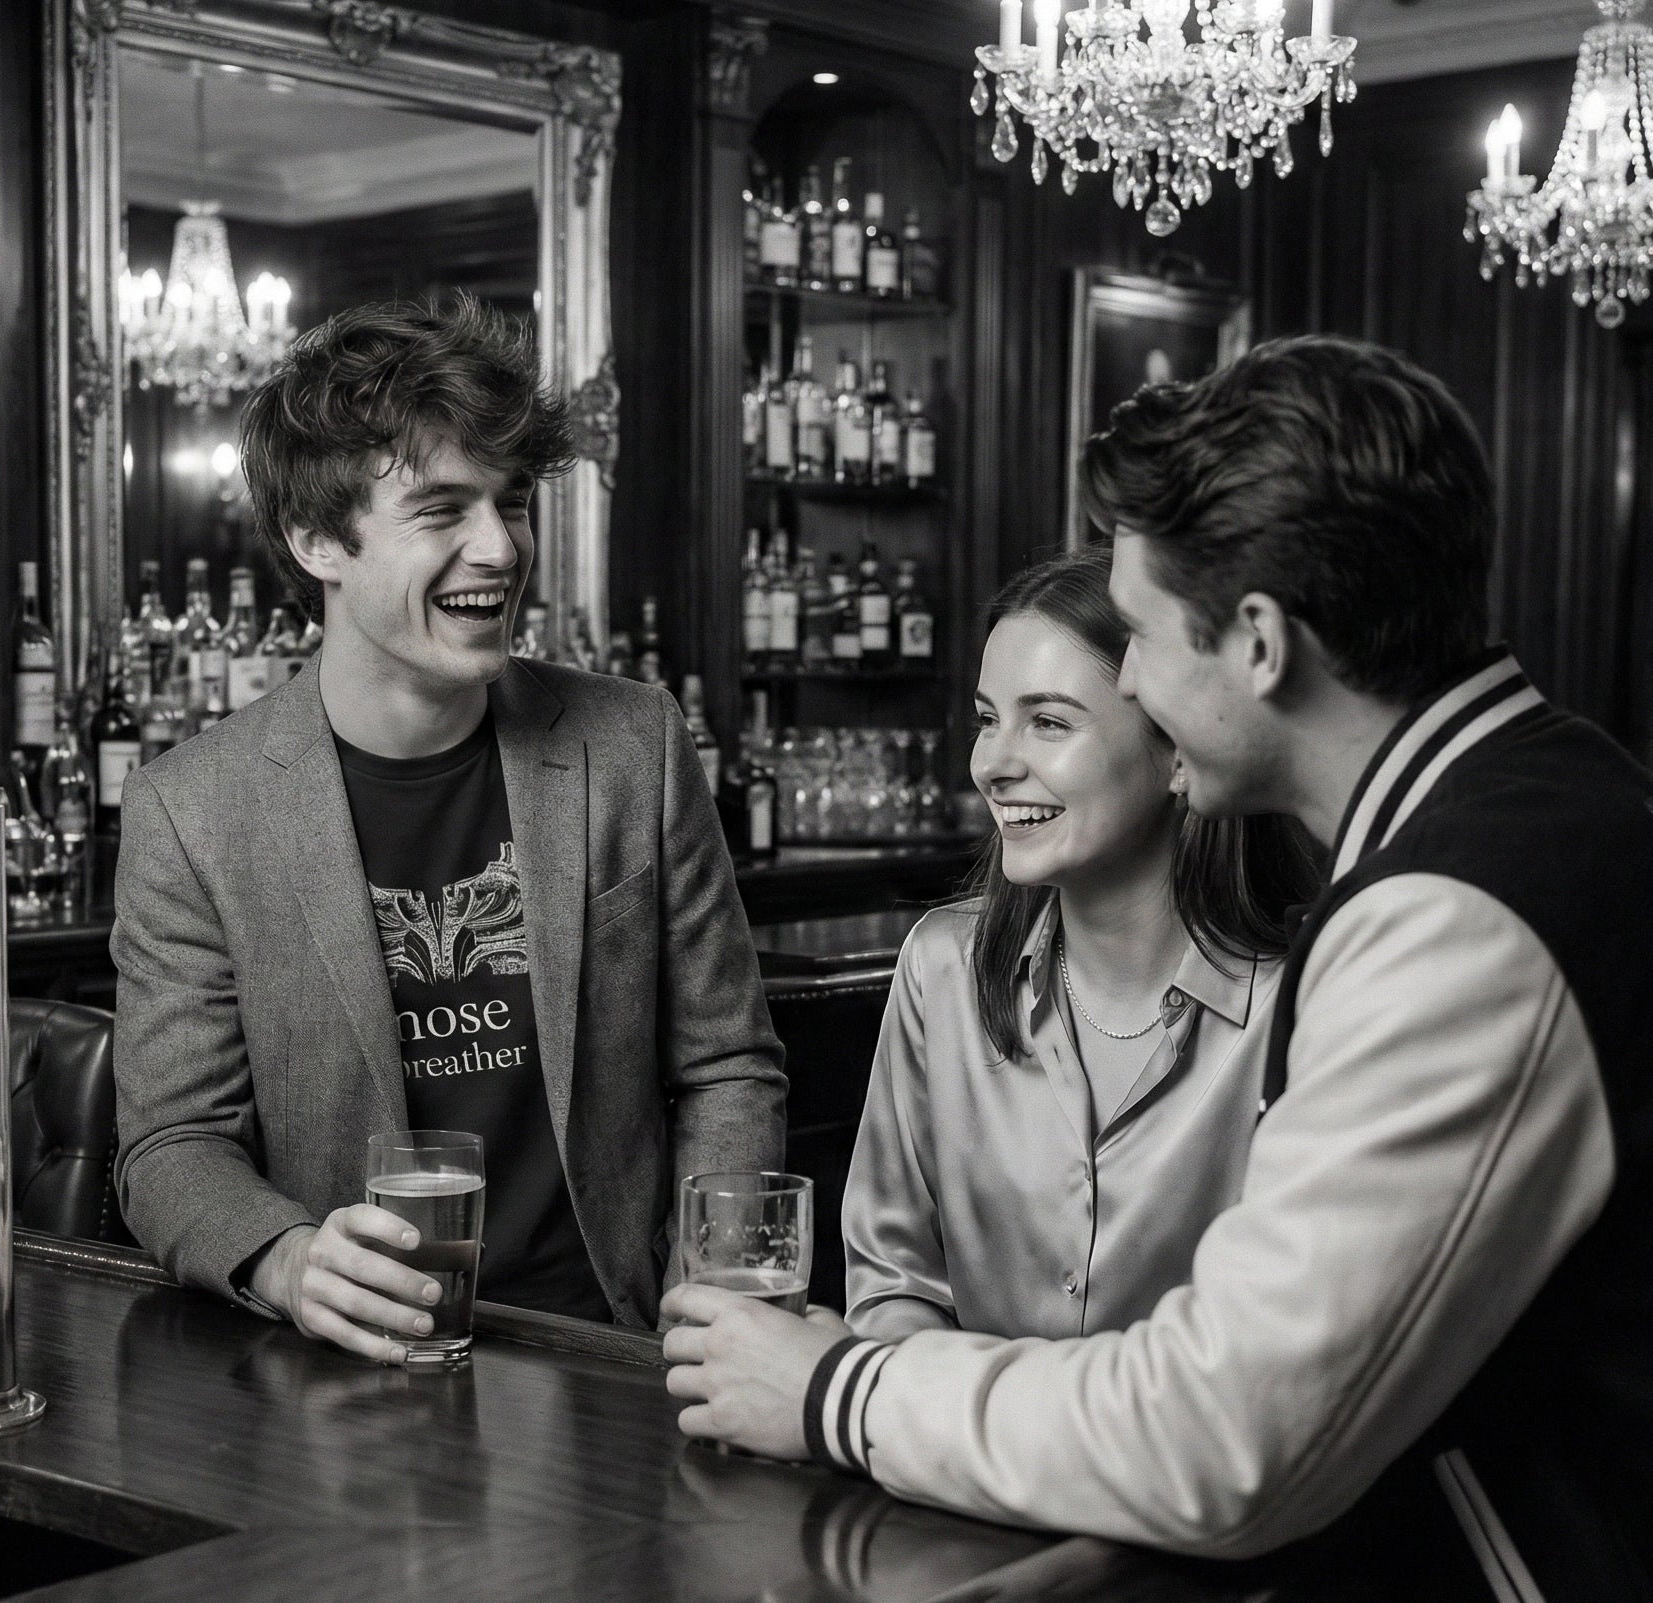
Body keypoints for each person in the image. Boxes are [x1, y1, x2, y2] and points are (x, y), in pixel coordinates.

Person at [660, 336, 1653, 1590]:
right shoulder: (1561, 794)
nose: (1128, 674)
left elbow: (1226, 1437)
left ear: (1255, 642)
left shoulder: (1449, 917)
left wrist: (834, 1390)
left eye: (1134, 635)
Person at [114, 292, 785, 1363]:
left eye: (511, 503)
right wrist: (288, 1261)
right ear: (316, 539)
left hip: (613, 1349)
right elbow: (171, 1144)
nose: (500, 547)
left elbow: (726, 1066)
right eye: (441, 511)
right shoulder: (190, 811)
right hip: (350, 1368)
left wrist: (710, 1302)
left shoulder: (630, 743)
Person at [842, 544, 1315, 1346]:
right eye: (988, 720)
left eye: (1049, 721)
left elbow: (1281, 1357)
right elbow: (892, 1286)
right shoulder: (941, 968)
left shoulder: (1300, 1003)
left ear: (1178, 748)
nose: (993, 764)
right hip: (948, 1470)